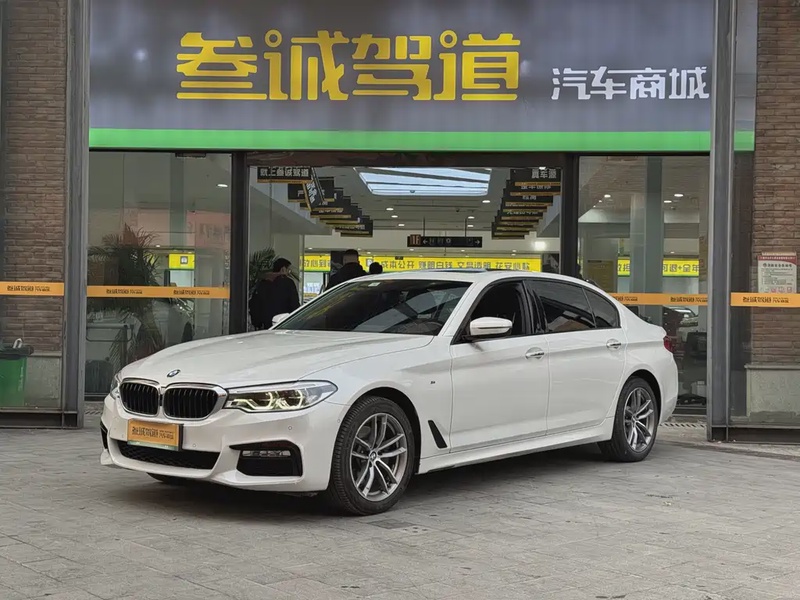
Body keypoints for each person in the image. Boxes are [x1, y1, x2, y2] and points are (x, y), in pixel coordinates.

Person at [248, 257, 300, 330]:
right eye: (288, 270)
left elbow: (255, 304)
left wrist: (257, 323)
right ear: (283, 269)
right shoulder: (288, 283)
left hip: (265, 323)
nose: (288, 273)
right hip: (283, 322)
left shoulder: (263, 283)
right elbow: (294, 303)